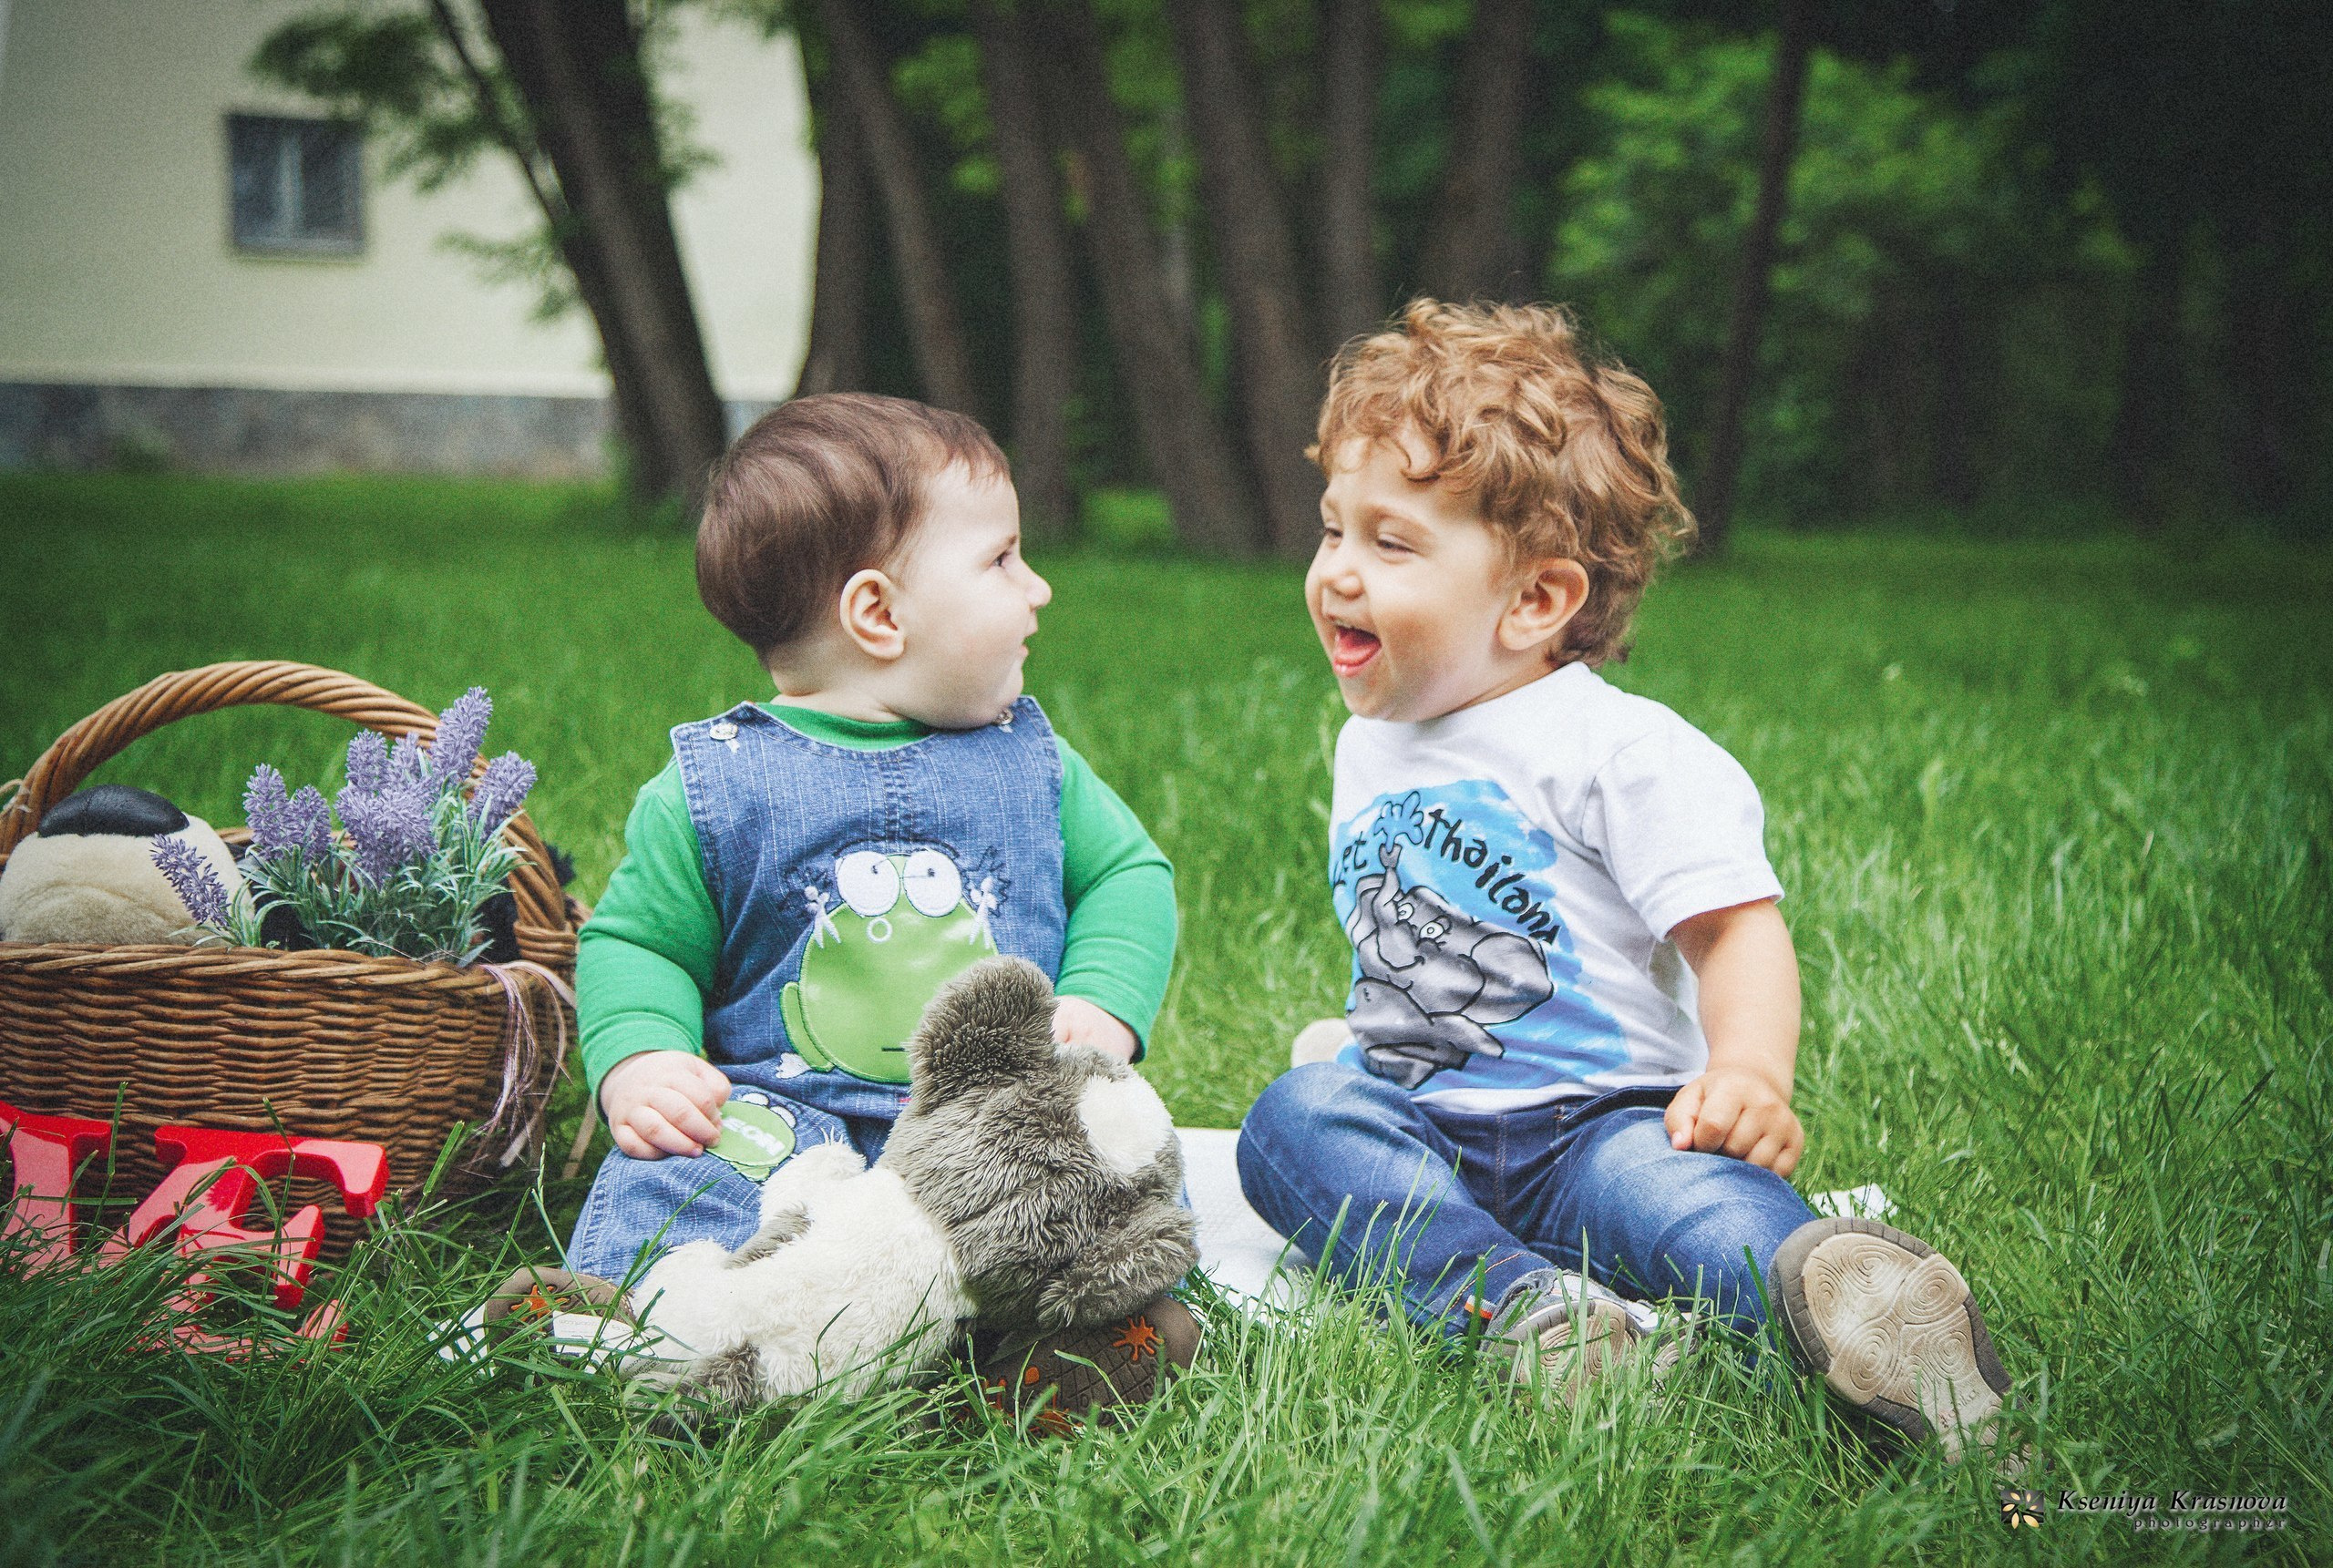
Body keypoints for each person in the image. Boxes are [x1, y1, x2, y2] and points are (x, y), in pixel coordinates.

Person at [1236, 301, 2009, 1457]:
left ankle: (1869, 1330)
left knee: (1704, 1217)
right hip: (1423, 1117)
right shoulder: (1375, 735)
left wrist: (1747, 1069)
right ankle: (1530, 1317)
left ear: (1534, 601)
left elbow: (1733, 929)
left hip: (1598, 1128)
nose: (1336, 572)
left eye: (1389, 544)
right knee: (1292, 1121)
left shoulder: (1619, 751)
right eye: (1333, 528)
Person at [499, 393, 1195, 1415]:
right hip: (783, 1117)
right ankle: (638, 1320)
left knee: (1088, 1178)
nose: (1037, 587)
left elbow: (1131, 877)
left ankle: (1069, 1349)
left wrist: (1104, 998)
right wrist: (643, 1055)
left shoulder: (1033, 762)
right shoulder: (713, 786)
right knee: (676, 1169)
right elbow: (636, 940)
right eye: (1002, 560)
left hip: (992, 1118)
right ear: (879, 613)